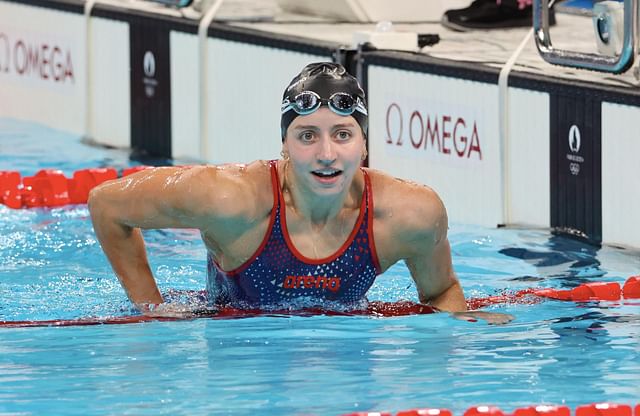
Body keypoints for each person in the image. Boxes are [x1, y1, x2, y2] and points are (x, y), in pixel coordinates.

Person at [89, 62, 512, 324]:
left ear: (364, 145)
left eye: (342, 135)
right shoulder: (229, 198)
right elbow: (106, 204)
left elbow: (440, 293)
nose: (326, 154)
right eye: (307, 135)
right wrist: (152, 312)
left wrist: (463, 331)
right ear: (284, 144)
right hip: (236, 356)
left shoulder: (410, 214)